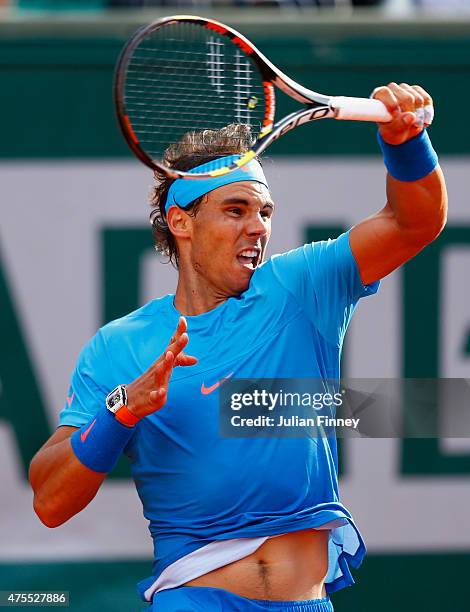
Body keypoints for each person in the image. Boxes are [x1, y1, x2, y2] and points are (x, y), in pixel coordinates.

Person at [29, 82, 447, 612]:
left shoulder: (302, 287)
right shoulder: (119, 346)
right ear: (181, 222)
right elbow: (49, 499)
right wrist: (123, 410)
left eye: (265, 212)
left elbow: (415, 222)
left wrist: (406, 140)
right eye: (235, 210)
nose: (258, 227)